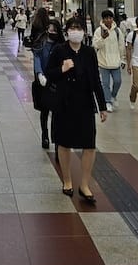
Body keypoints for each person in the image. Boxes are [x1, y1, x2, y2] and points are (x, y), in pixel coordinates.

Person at [45, 17, 107, 203]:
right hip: (64, 103)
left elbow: (96, 79)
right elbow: (49, 74)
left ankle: (85, 184)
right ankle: (67, 180)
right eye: (72, 28)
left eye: (78, 28)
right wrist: (62, 69)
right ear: (66, 31)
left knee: (89, 144)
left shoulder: (89, 52)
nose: (75, 31)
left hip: (85, 103)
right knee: (64, 143)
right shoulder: (59, 50)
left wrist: (102, 106)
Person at [32, 16, 64, 149]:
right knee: (44, 111)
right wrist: (39, 74)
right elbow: (37, 58)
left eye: (55, 30)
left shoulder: (61, 46)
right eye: (50, 30)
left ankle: (56, 138)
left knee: (56, 112)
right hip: (43, 82)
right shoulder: (41, 43)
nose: (52, 32)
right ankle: (45, 135)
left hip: (56, 81)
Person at [93, 9, 125, 112]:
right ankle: (107, 102)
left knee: (118, 81)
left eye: (110, 18)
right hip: (103, 62)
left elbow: (121, 45)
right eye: (106, 18)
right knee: (105, 84)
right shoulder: (99, 31)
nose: (108, 20)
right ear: (103, 19)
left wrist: (122, 59)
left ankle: (113, 95)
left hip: (115, 61)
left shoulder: (117, 31)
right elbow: (95, 45)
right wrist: (102, 38)